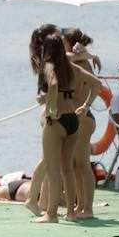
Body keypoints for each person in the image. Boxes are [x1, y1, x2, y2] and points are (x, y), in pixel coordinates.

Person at [26, 31, 99, 223]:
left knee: (53, 169)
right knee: (68, 168)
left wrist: (51, 108)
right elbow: (96, 84)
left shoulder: (50, 66)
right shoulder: (71, 67)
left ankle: (51, 214)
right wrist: (86, 105)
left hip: (56, 121)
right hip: (73, 119)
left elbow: (53, 84)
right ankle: (70, 213)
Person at [62, 28, 101, 219]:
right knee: (76, 164)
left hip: (84, 118)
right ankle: (80, 205)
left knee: (83, 164)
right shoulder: (76, 60)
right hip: (77, 116)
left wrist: (85, 106)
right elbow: (63, 58)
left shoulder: (82, 64)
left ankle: (88, 208)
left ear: (68, 43)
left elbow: (95, 85)